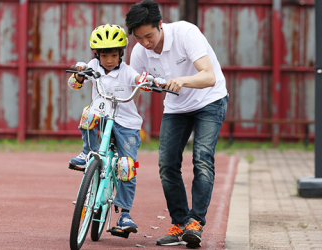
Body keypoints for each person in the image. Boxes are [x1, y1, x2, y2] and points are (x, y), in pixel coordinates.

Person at [126, 0, 229, 248]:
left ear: (161, 25)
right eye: (139, 38)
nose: (146, 43)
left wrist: (181, 81)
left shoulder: (186, 33)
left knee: (202, 158)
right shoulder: (140, 52)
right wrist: (125, 119)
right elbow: (133, 89)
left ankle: (195, 222)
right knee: (167, 164)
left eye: (149, 36)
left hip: (209, 100)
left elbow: (208, 75)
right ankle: (180, 224)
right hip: (176, 107)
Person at [67, 24, 143, 233]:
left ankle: (125, 214)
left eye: (113, 55)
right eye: (103, 55)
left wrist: (145, 81)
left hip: (126, 124)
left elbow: (138, 79)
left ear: (121, 53)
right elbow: (73, 85)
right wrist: (80, 75)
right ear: (96, 55)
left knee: (126, 166)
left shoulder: (127, 72)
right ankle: (87, 152)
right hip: (102, 116)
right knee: (89, 112)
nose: (108, 60)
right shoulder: (93, 66)